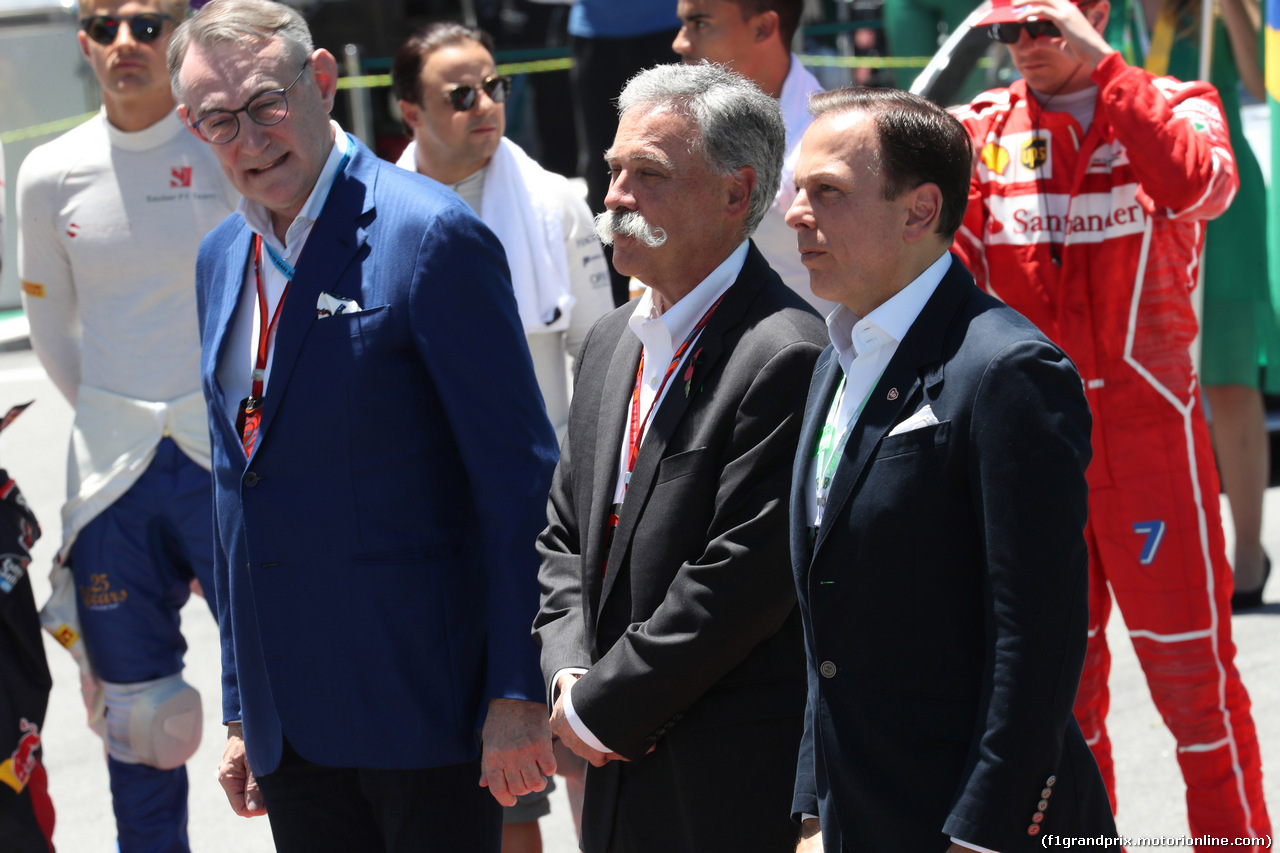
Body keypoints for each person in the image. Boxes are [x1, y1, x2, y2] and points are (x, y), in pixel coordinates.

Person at [167, 0, 560, 850]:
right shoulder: (219, 262)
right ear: (192, 127)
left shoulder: (430, 235)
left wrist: (518, 688)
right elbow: (238, 495)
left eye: (267, 103)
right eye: (219, 120)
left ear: (321, 81)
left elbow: (519, 478)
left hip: (425, 707)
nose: (250, 137)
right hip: (294, 728)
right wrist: (242, 702)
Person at [952, 0, 1272, 842]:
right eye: (1006, 31)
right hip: (1031, 463)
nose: (1021, 47)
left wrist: (1112, 78)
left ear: (1092, 14)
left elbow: (1201, 186)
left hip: (1151, 447)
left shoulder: (1180, 101)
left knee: (1198, 700)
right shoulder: (978, 131)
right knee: (1062, 718)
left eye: (1041, 25)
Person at [787, 85, 1117, 853]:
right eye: (797, 191)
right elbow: (827, 629)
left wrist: (983, 831)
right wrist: (812, 806)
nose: (795, 213)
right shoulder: (833, 362)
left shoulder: (1008, 369)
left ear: (919, 209)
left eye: (826, 192)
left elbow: (1038, 637)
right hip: (857, 817)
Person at [533, 62, 826, 853]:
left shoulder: (784, 352)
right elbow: (565, 532)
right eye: (615, 171)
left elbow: (738, 581)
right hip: (611, 763)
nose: (615, 197)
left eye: (648, 175)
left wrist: (605, 705)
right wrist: (567, 674)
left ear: (737, 194)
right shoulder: (608, 340)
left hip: (724, 777)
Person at [16, 0, 238, 849]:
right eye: (105, 25)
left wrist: (197, 413)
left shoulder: (228, 139)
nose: (124, 43)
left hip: (229, 459)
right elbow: (52, 334)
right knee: (145, 726)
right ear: (82, 43)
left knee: (292, 695)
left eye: (147, 25)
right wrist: (127, 414)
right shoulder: (47, 170)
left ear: (178, 36)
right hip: (112, 472)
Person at [1107, 0, 1278, 609]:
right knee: (1148, 374)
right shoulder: (1109, 11)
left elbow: (1264, 84)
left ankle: (1250, 551)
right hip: (1127, 195)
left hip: (1218, 193)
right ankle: (1168, 550)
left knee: (1229, 373)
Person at [391, 22, 614, 440]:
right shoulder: (379, 213)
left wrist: (579, 467)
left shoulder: (553, 199)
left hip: (542, 460)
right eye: (461, 96)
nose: (484, 106)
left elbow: (596, 347)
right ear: (410, 113)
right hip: (424, 468)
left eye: (494, 87)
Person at [671, 0, 832, 313]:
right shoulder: (677, 121)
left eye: (700, 23)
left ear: (763, 27)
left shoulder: (822, 140)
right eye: (683, 23)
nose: (679, 42)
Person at [568, 0, 682, 306]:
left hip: (666, 26)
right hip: (594, 33)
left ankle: (675, 287)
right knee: (603, 168)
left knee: (670, 161)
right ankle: (617, 301)